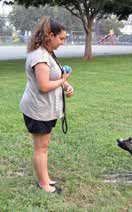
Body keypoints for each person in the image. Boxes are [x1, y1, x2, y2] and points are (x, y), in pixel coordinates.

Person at [20, 16, 74, 193]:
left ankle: (46, 179)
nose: (63, 42)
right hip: (38, 110)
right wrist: (64, 79)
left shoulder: (48, 53)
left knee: (43, 147)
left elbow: (53, 76)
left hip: (45, 109)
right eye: (61, 38)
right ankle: (43, 184)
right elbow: (44, 86)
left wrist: (65, 84)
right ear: (50, 35)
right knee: (41, 148)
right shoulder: (40, 56)